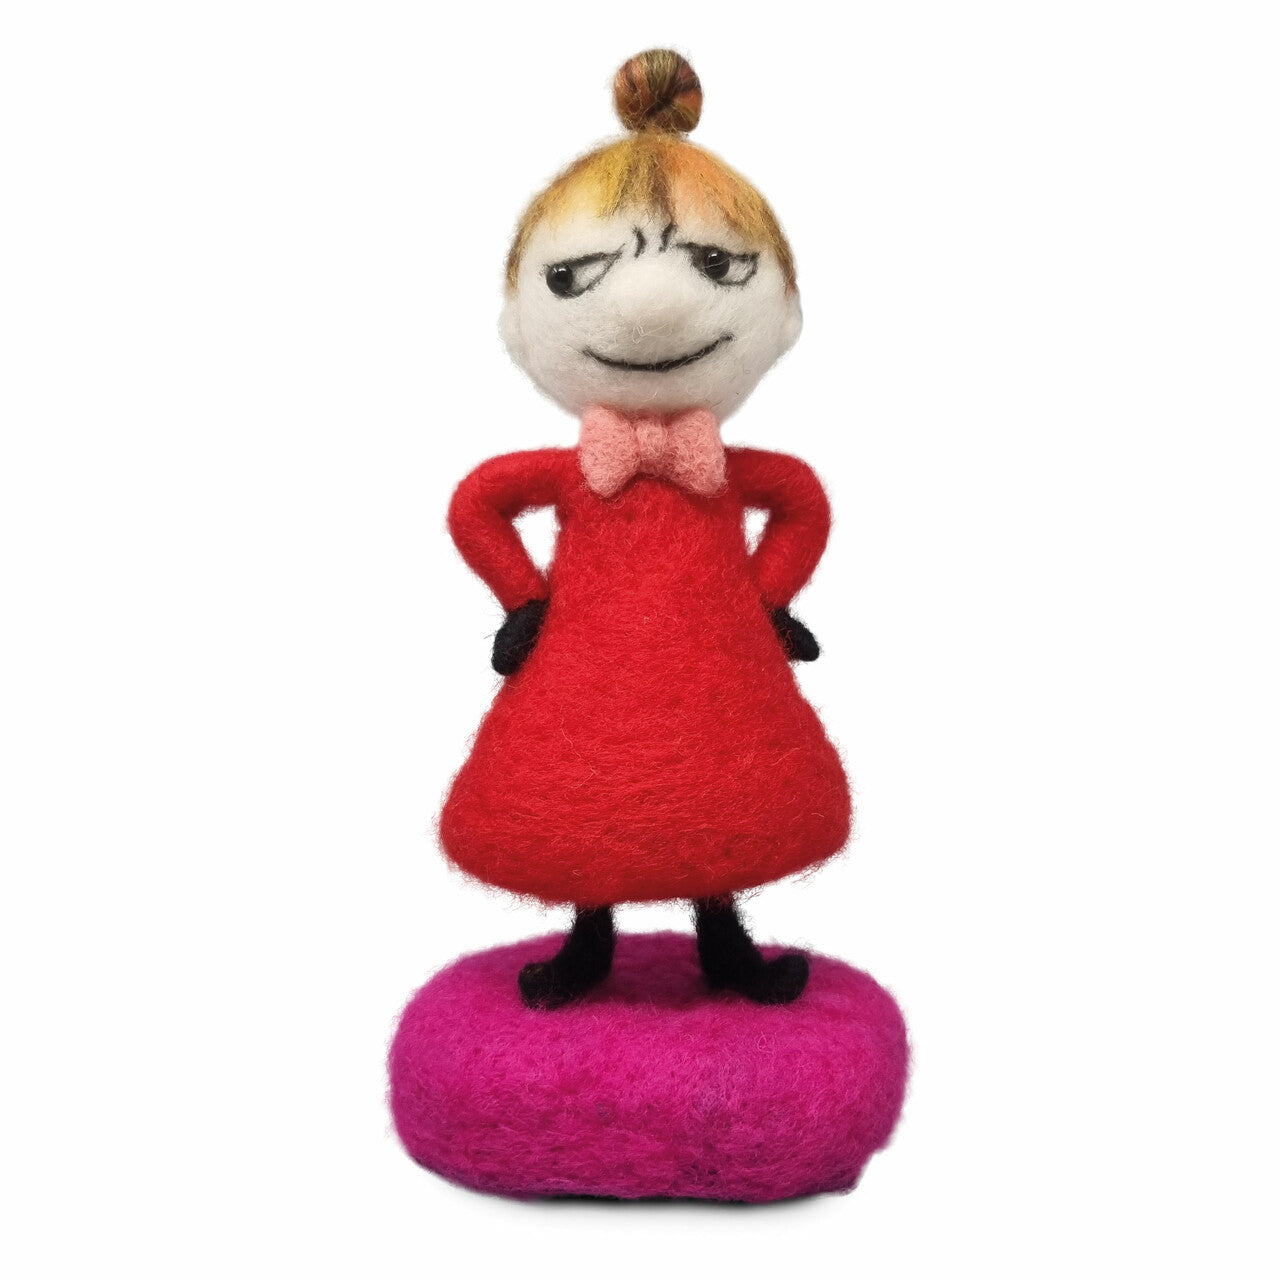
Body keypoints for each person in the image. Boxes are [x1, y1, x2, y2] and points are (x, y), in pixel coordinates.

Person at [441, 49, 851, 1009]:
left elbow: (801, 502)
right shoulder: (580, 473)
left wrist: (764, 599)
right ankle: (589, 948)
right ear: (518, 325)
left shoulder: (723, 472)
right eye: (579, 275)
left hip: (718, 665)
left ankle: (726, 948)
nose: (651, 303)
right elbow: (477, 505)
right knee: (587, 805)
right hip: (582, 667)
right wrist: (524, 604)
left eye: (714, 266)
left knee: (721, 803)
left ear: (786, 314)